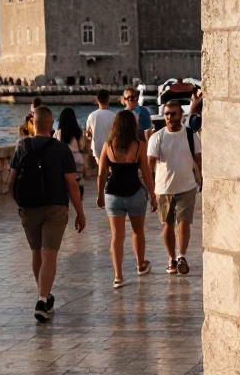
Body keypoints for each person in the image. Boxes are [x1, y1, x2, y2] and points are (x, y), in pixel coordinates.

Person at [8, 105, 85, 322]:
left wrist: (21, 205)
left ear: (33, 123)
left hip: (29, 208)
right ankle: (42, 299)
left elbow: (10, 183)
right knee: (49, 253)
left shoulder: (21, 146)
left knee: (36, 251)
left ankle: (43, 295)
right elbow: (71, 184)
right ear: (51, 124)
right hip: (56, 207)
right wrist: (80, 213)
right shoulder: (62, 149)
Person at [97, 109, 157, 288]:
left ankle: (118, 276)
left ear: (115, 125)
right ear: (133, 126)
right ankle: (140, 265)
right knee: (138, 231)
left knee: (117, 236)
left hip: (113, 195)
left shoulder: (108, 146)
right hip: (135, 193)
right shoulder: (139, 145)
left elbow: (100, 174)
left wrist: (100, 195)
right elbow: (146, 174)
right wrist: (152, 195)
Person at [148, 100, 202, 276]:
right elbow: (149, 165)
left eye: (173, 113)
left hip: (187, 186)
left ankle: (182, 256)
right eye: (166, 114)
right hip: (164, 189)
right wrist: (150, 190)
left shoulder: (190, 135)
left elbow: (198, 159)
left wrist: (201, 178)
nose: (169, 117)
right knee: (168, 225)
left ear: (181, 115)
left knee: (184, 222)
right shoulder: (157, 137)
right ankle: (171, 258)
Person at [55, 107, 86, 197]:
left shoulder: (58, 133)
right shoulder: (78, 132)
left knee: (65, 182)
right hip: (77, 160)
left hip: (63, 161)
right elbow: (82, 147)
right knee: (78, 183)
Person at [85, 90, 116, 164]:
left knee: (101, 171)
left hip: (97, 148)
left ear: (97, 100)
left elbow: (88, 134)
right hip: (111, 148)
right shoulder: (114, 116)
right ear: (108, 100)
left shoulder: (91, 116)